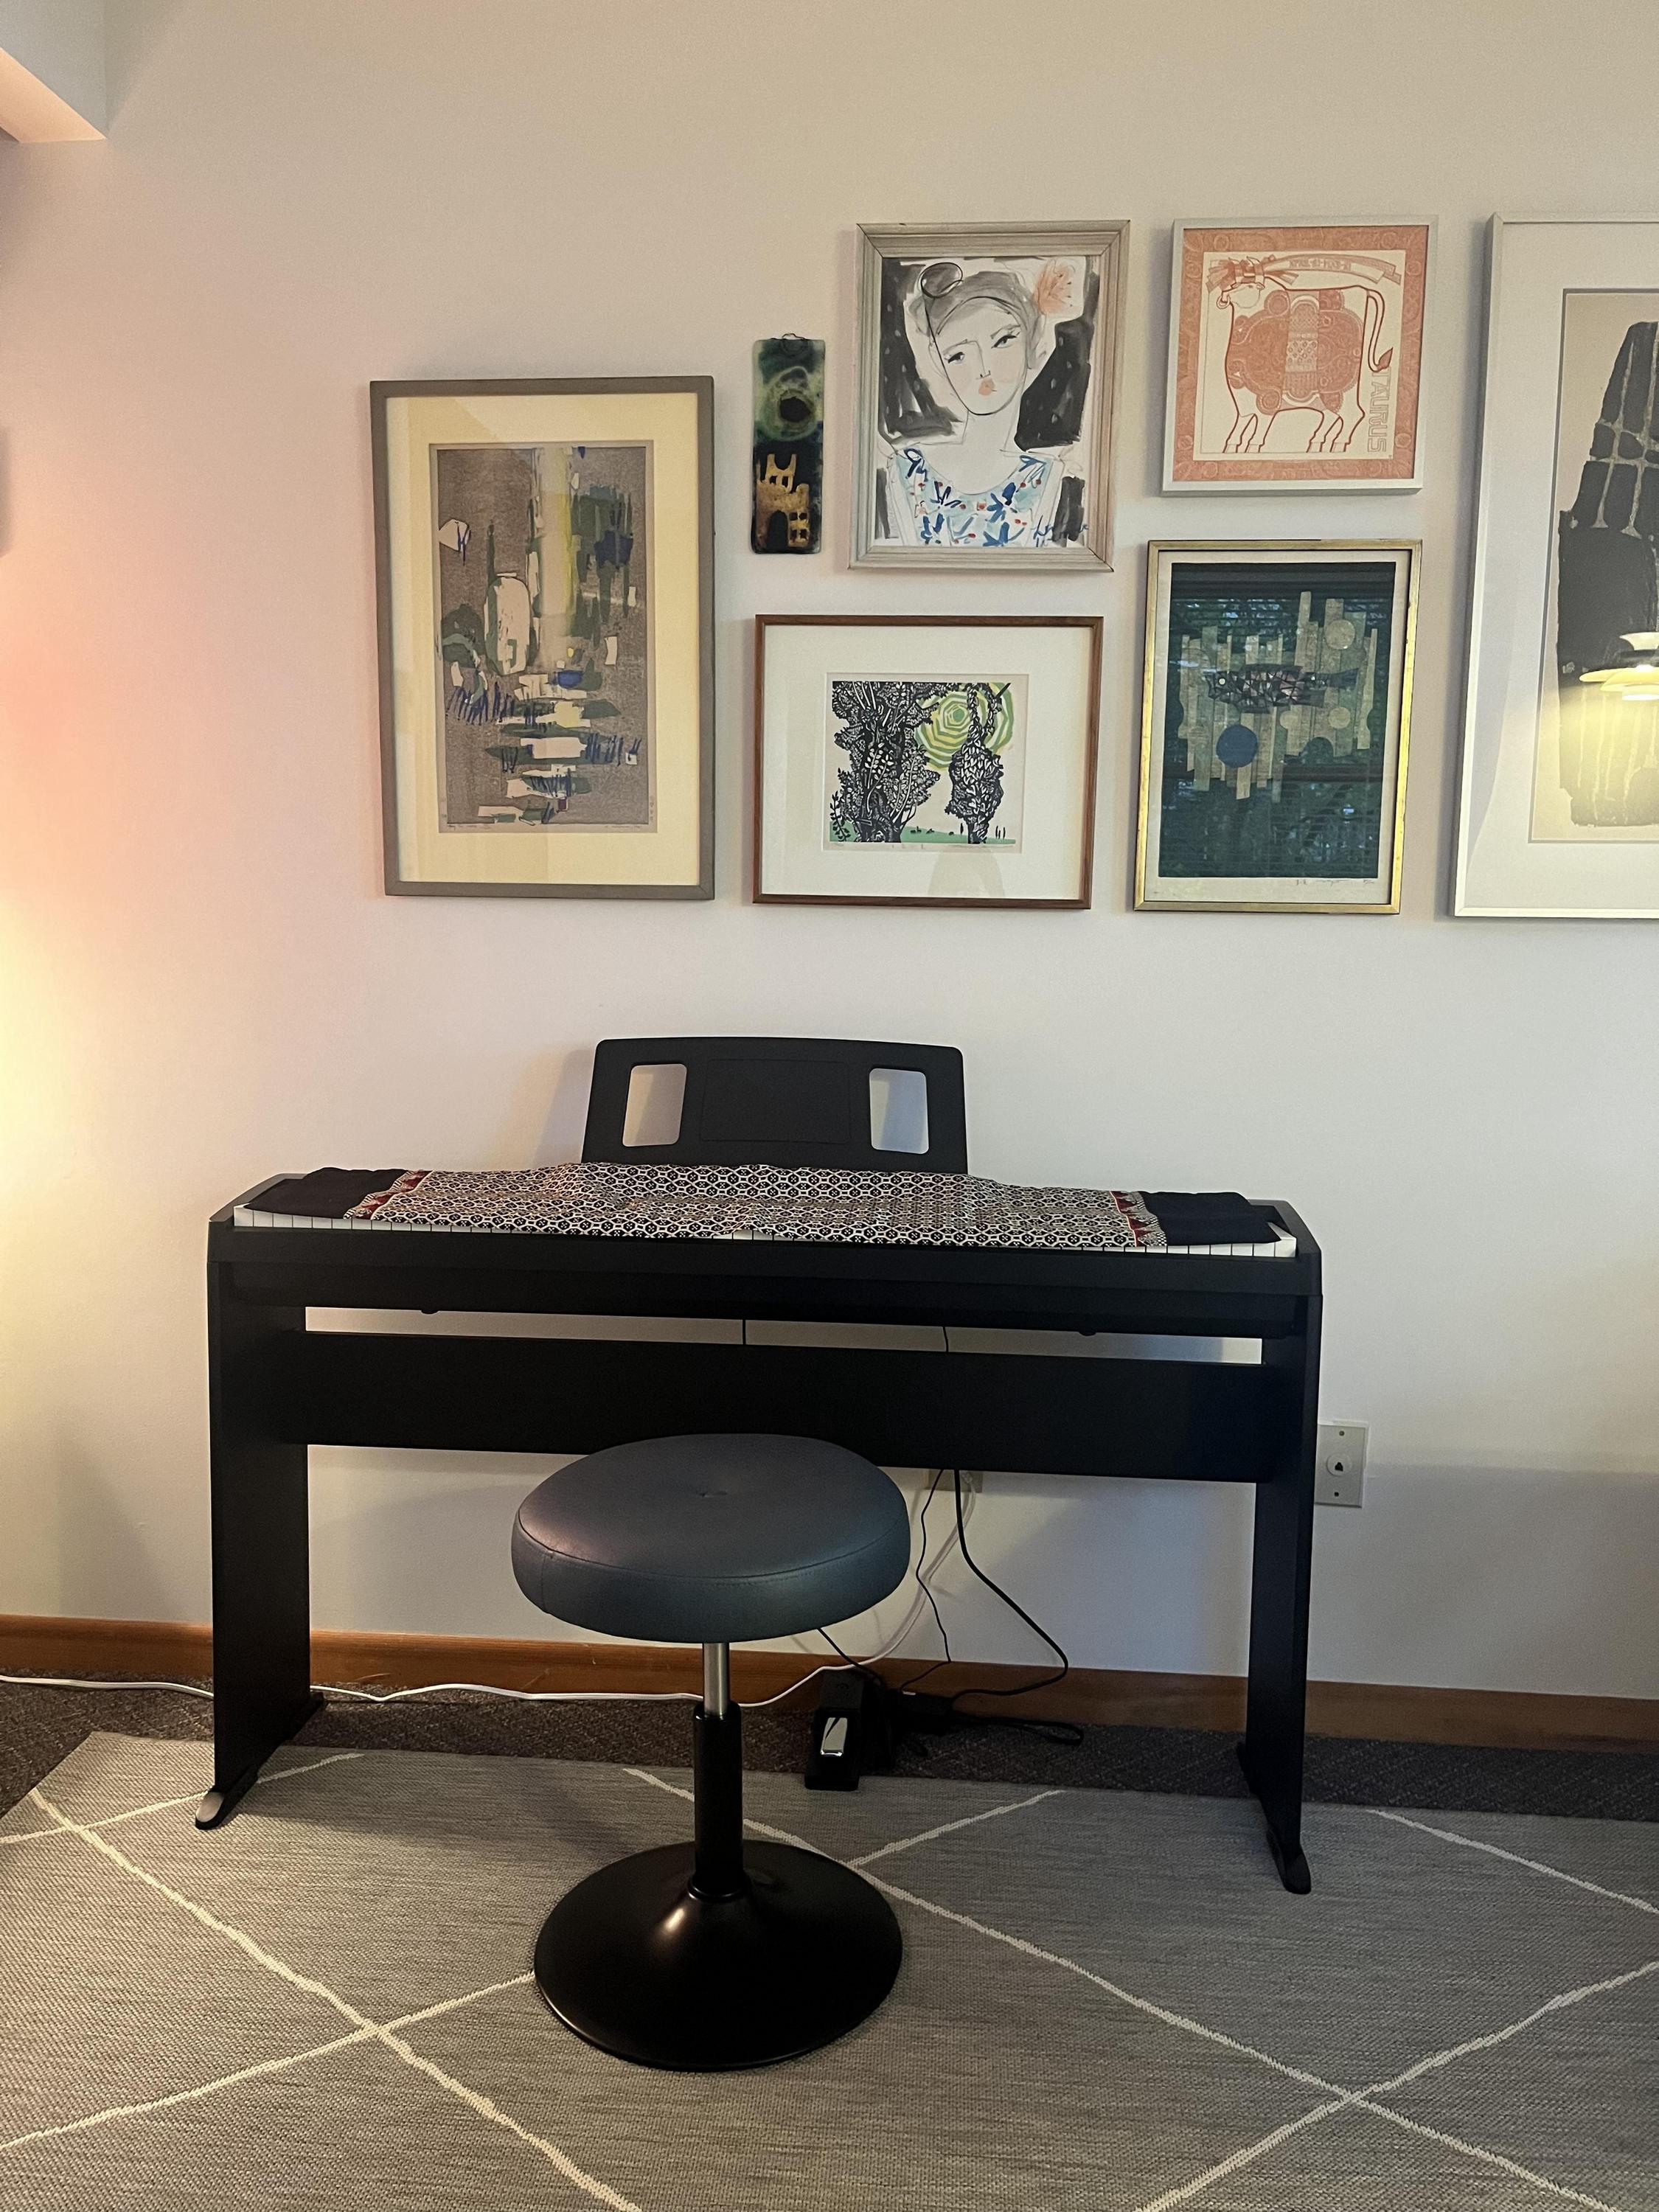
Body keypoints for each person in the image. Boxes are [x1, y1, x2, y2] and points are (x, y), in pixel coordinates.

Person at [883, 259, 1074, 549]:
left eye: (1003, 340)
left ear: (1035, 344)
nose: (983, 368)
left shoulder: (1047, 477)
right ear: (939, 363)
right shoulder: (908, 469)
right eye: (958, 356)